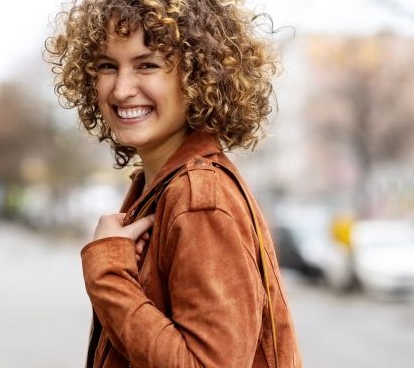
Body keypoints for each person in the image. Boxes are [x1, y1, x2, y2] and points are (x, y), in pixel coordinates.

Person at [47, 0, 302, 366]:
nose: (120, 90)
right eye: (107, 66)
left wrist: (108, 276)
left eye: (147, 65)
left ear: (199, 76)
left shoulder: (199, 198)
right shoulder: (160, 188)